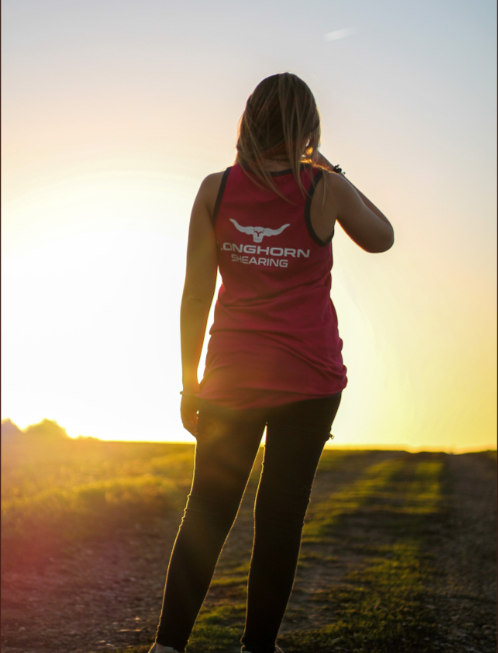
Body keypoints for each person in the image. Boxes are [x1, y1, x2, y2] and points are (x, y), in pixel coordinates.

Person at [148, 73, 394, 653]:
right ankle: (256, 649)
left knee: (207, 510)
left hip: (231, 382)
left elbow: (194, 295)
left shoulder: (216, 189)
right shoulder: (323, 189)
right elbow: (381, 237)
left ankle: (167, 647)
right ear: (308, 127)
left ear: (249, 121)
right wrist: (331, 168)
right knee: (280, 520)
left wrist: (190, 386)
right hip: (310, 383)